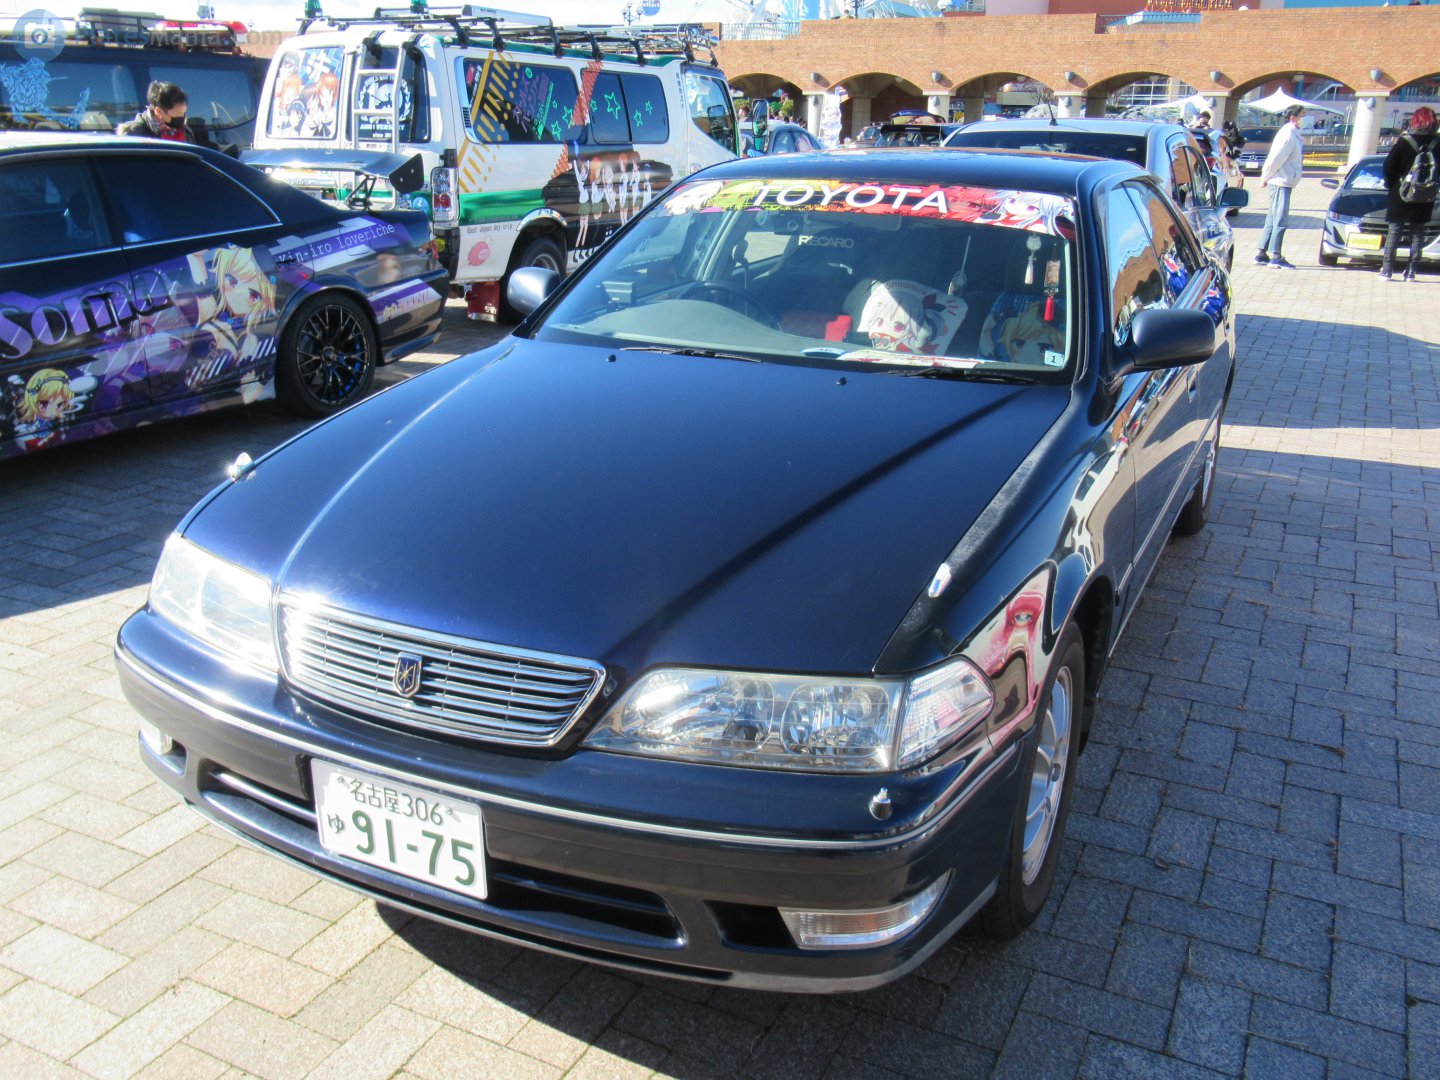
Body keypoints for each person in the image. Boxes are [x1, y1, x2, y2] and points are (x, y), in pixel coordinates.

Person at [1379, 105, 1437, 280]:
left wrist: (1391, 184)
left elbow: (1389, 166)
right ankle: (1411, 271)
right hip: (1426, 193)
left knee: (1395, 230)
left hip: (1401, 192)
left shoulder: (1405, 141)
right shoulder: (1438, 142)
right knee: (1418, 231)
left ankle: (1387, 270)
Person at [1256, 104, 1306, 268]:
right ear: (1293, 118)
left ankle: (1261, 253)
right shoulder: (1288, 134)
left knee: (1272, 218)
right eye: (1302, 116)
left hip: (1283, 180)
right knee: (1280, 219)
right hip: (1280, 181)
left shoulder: (1293, 133)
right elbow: (1276, 157)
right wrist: (1265, 176)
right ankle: (1275, 255)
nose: (1303, 119)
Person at [116, 82, 191, 142]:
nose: (182, 118)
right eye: (178, 114)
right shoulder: (133, 134)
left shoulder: (186, 132)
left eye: (183, 113)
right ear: (158, 111)